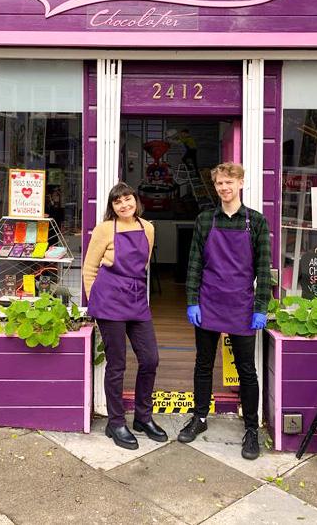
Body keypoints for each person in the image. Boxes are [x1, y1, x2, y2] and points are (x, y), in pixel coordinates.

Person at [179, 162, 272, 459]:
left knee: (247, 370)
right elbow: (193, 264)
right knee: (203, 364)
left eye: (229, 182)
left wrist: (261, 307)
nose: (224, 188)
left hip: (243, 306)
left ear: (241, 183)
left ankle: (251, 429)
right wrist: (192, 300)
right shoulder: (205, 220)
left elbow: (263, 269)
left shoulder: (256, 222)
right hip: (208, 301)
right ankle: (200, 418)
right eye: (219, 183)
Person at [83, 182, 168, 449]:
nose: (124, 205)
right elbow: (89, 268)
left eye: (127, 199)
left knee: (150, 358)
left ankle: (143, 417)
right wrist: (95, 302)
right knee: (117, 364)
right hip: (109, 300)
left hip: (136, 299)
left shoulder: (148, 228)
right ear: (112, 207)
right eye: (117, 202)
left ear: (135, 201)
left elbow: (143, 265)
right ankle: (116, 422)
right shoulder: (105, 229)